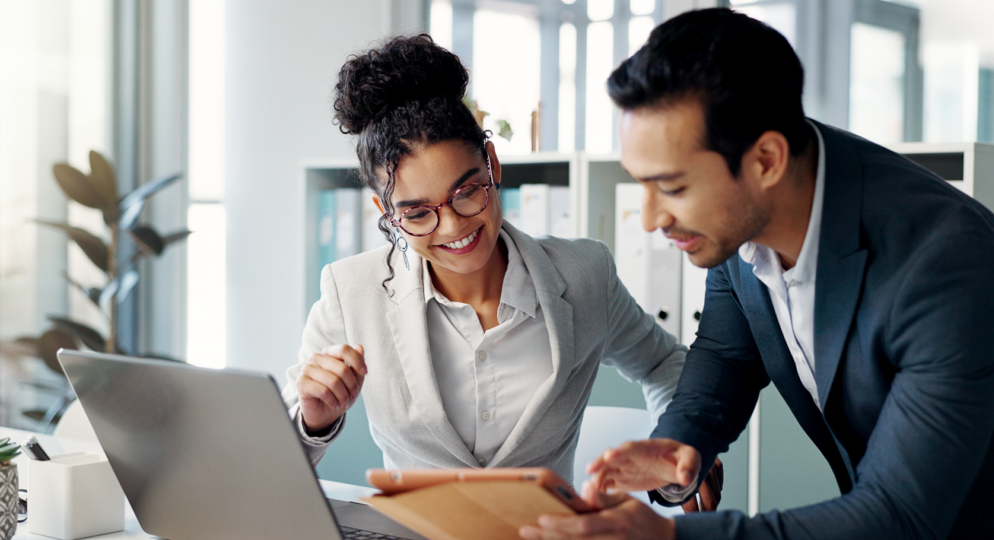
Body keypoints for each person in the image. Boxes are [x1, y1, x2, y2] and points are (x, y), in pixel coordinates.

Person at [522, 7, 994, 540]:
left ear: (765, 161)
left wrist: (669, 536)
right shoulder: (743, 222)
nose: (650, 220)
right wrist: (680, 444)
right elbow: (728, 355)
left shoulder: (949, 261)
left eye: (671, 187)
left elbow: (900, 515)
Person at [278, 34, 722, 510]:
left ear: (491, 164)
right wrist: (314, 419)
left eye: (467, 191)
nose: (452, 227)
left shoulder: (585, 273)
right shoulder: (351, 291)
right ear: (385, 212)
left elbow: (665, 365)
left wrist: (680, 449)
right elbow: (277, 463)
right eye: (417, 213)